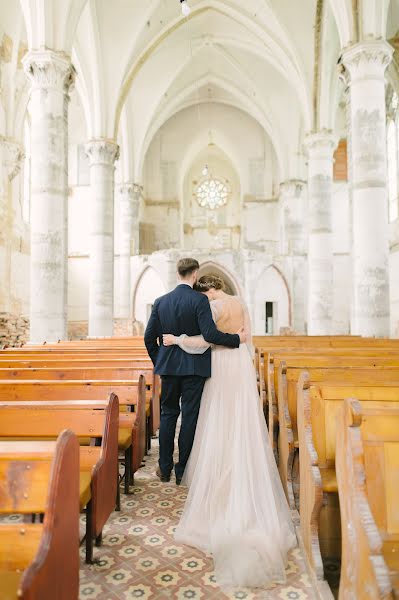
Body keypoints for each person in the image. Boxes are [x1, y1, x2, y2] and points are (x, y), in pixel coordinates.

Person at [163, 275, 297, 590]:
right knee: (242, 424)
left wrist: (178, 339)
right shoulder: (241, 303)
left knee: (218, 426)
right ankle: (242, 480)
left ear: (207, 292)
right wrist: (234, 336)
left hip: (222, 366)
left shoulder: (213, 307)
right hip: (240, 366)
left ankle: (222, 491)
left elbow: (205, 341)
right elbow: (247, 336)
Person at [144, 258, 246, 485]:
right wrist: (236, 339)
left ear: (178, 273)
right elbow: (209, 335)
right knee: (190, 417)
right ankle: (182, 470)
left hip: (169, 368)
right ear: (195, 274)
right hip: (194, 368)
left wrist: (160, 360)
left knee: (168, 415)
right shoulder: (199, 300)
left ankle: (164, 468)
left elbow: (149, 338)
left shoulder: (161, 302)